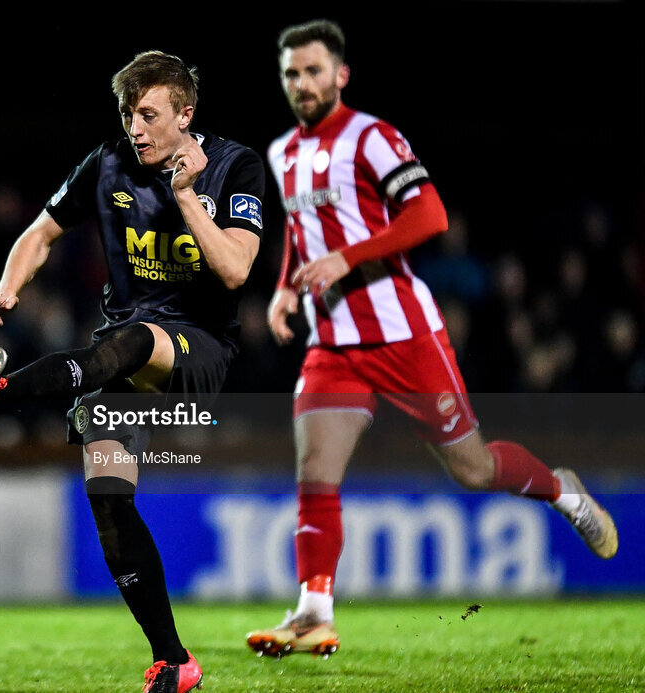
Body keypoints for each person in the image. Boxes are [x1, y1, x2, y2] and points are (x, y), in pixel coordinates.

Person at [245, 19, 618, 659]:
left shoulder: (373, 137)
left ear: (340, 74)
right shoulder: (282, 153)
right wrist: (284, 287)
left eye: (312, 70)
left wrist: (348, 259)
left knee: (473, 470)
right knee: (315, 469)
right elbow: (302, 234)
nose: (301, 83)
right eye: (290, 74)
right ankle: (313, 611)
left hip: (403, 335)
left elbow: (430, 213)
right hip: (332, 341)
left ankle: (564, 491)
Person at [0, 50, 265, 692]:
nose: (136, 127)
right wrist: (7, 287)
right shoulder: (107, 162)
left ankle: (1, 391)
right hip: (119, 355)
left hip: (195, 351)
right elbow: (38, 233)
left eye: (149, 114)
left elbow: (235, 271)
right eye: (127, 114)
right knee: (109, 499)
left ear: (185, 114)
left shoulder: (235, 165)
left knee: (131, 340)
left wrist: (186, 196)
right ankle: (175, 660)